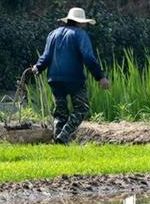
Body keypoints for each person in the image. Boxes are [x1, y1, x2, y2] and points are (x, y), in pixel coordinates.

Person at [32, 7, 110, 144]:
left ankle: (57, 138)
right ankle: (64, 135)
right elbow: (88, 57)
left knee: (60, 112)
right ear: (79, 22)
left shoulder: (53, 34)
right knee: (82, 108)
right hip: (74, 79)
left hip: (54, 79)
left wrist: (38, 67)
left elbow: (46, 56)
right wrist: (100, 77)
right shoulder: (80, 34)